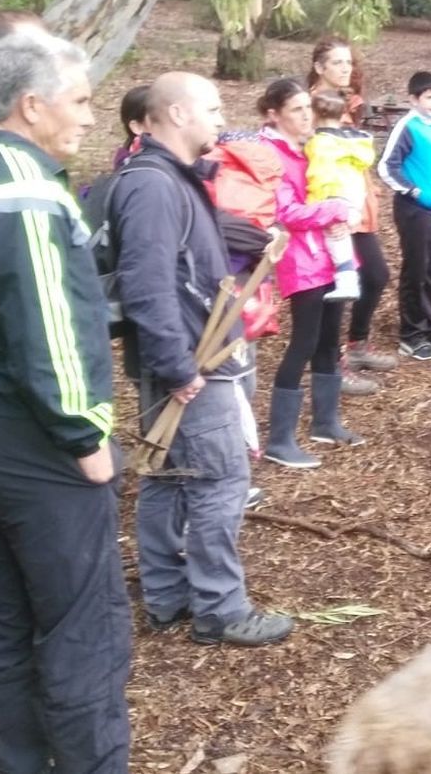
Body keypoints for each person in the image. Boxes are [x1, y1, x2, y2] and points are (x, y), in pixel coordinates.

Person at [0, 32, 131, 773]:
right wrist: (83, 433)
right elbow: (44, 322)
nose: (90, 117)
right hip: (31, 439)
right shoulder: (25, 186)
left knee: (6, 620)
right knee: (82, 629)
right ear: (32, 106)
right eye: (78, 101)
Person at [109, 72, 295, 648]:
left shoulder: (165, 178)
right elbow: (145, 283)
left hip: (179, 357)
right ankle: (221, 609)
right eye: (212, 109)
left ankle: (167, 597)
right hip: (188, 361)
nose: (221, 119)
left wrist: (257, 238)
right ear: (178, 114)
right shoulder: (152, 186)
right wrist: (179, 367)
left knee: (169, 474)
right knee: (220, 479)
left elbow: (195, 243)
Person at [258, 78, 363, 469]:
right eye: (297, 110)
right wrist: (336, 210)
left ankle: (326, 421)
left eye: (308, 108)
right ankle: (279, 439)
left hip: (327, 254)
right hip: (301, 260)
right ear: (274, 114)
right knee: (302, 342)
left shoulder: (307, 147)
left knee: (329, 338)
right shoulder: (271, 154)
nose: (307, 116)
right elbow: (286, 213)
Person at [307, 37, 396, 382]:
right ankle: (329, 365)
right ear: (319, 67)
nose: (346, 69)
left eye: (348, 63)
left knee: (372, 275)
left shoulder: (344, 104)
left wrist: (367, 183)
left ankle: (356, 344)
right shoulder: (312, 106)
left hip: (354, 202)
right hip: (330, 205)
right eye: (338, 63)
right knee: (341, 282)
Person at [378, 70, 431, 361]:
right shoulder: (407, 126)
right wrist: (413, 191)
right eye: (429, 98)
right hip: (416, 211)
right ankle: (411, 334)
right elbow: (387, 167)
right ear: (413, 99)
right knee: (416, 270)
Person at [304, 90, 374, 302]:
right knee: (342, 235)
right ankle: (347, 279)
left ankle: (347, 280)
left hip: (334, 193)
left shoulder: (320, 143)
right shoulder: (356, 140)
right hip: (356, 194)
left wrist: (314, 203)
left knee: (335, 237)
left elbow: (319, 172)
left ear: (316, 115)